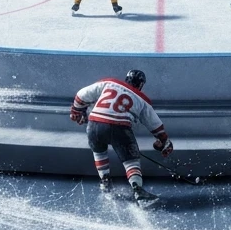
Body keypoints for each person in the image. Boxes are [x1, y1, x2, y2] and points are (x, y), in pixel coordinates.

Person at [69, 68, 173, 206]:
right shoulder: (142, 99)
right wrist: (164, 141)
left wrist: (76, 110)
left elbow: (81, 94)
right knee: (131, 161)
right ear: (141, 84)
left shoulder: (109, 83)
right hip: (120, 128)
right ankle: (139, 191)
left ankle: (105, 183)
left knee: (99, 152)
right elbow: (155, 125)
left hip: (93, 125)